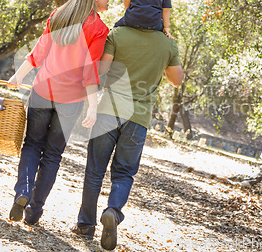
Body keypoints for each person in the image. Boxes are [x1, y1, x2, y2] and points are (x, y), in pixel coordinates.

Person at [7, 0, 111, 225]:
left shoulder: (59, 15)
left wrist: (18, 76)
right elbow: (90, 71)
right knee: (52, 155)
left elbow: (39, 52)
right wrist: (93, 107)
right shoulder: (98, 29)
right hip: (70, 100)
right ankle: (33, 212)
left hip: (42, 91)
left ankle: (22, 192)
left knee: (31, 145)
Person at [71, 24, 184, 250]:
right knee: (123, 172)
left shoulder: (118, 34)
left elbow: (101, 69)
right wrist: (167, 51)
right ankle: (113, 211)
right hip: (138, 118)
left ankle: (85, 225)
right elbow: (177, 80)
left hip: (107, 111)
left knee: (95, 169)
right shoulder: (167, 43)